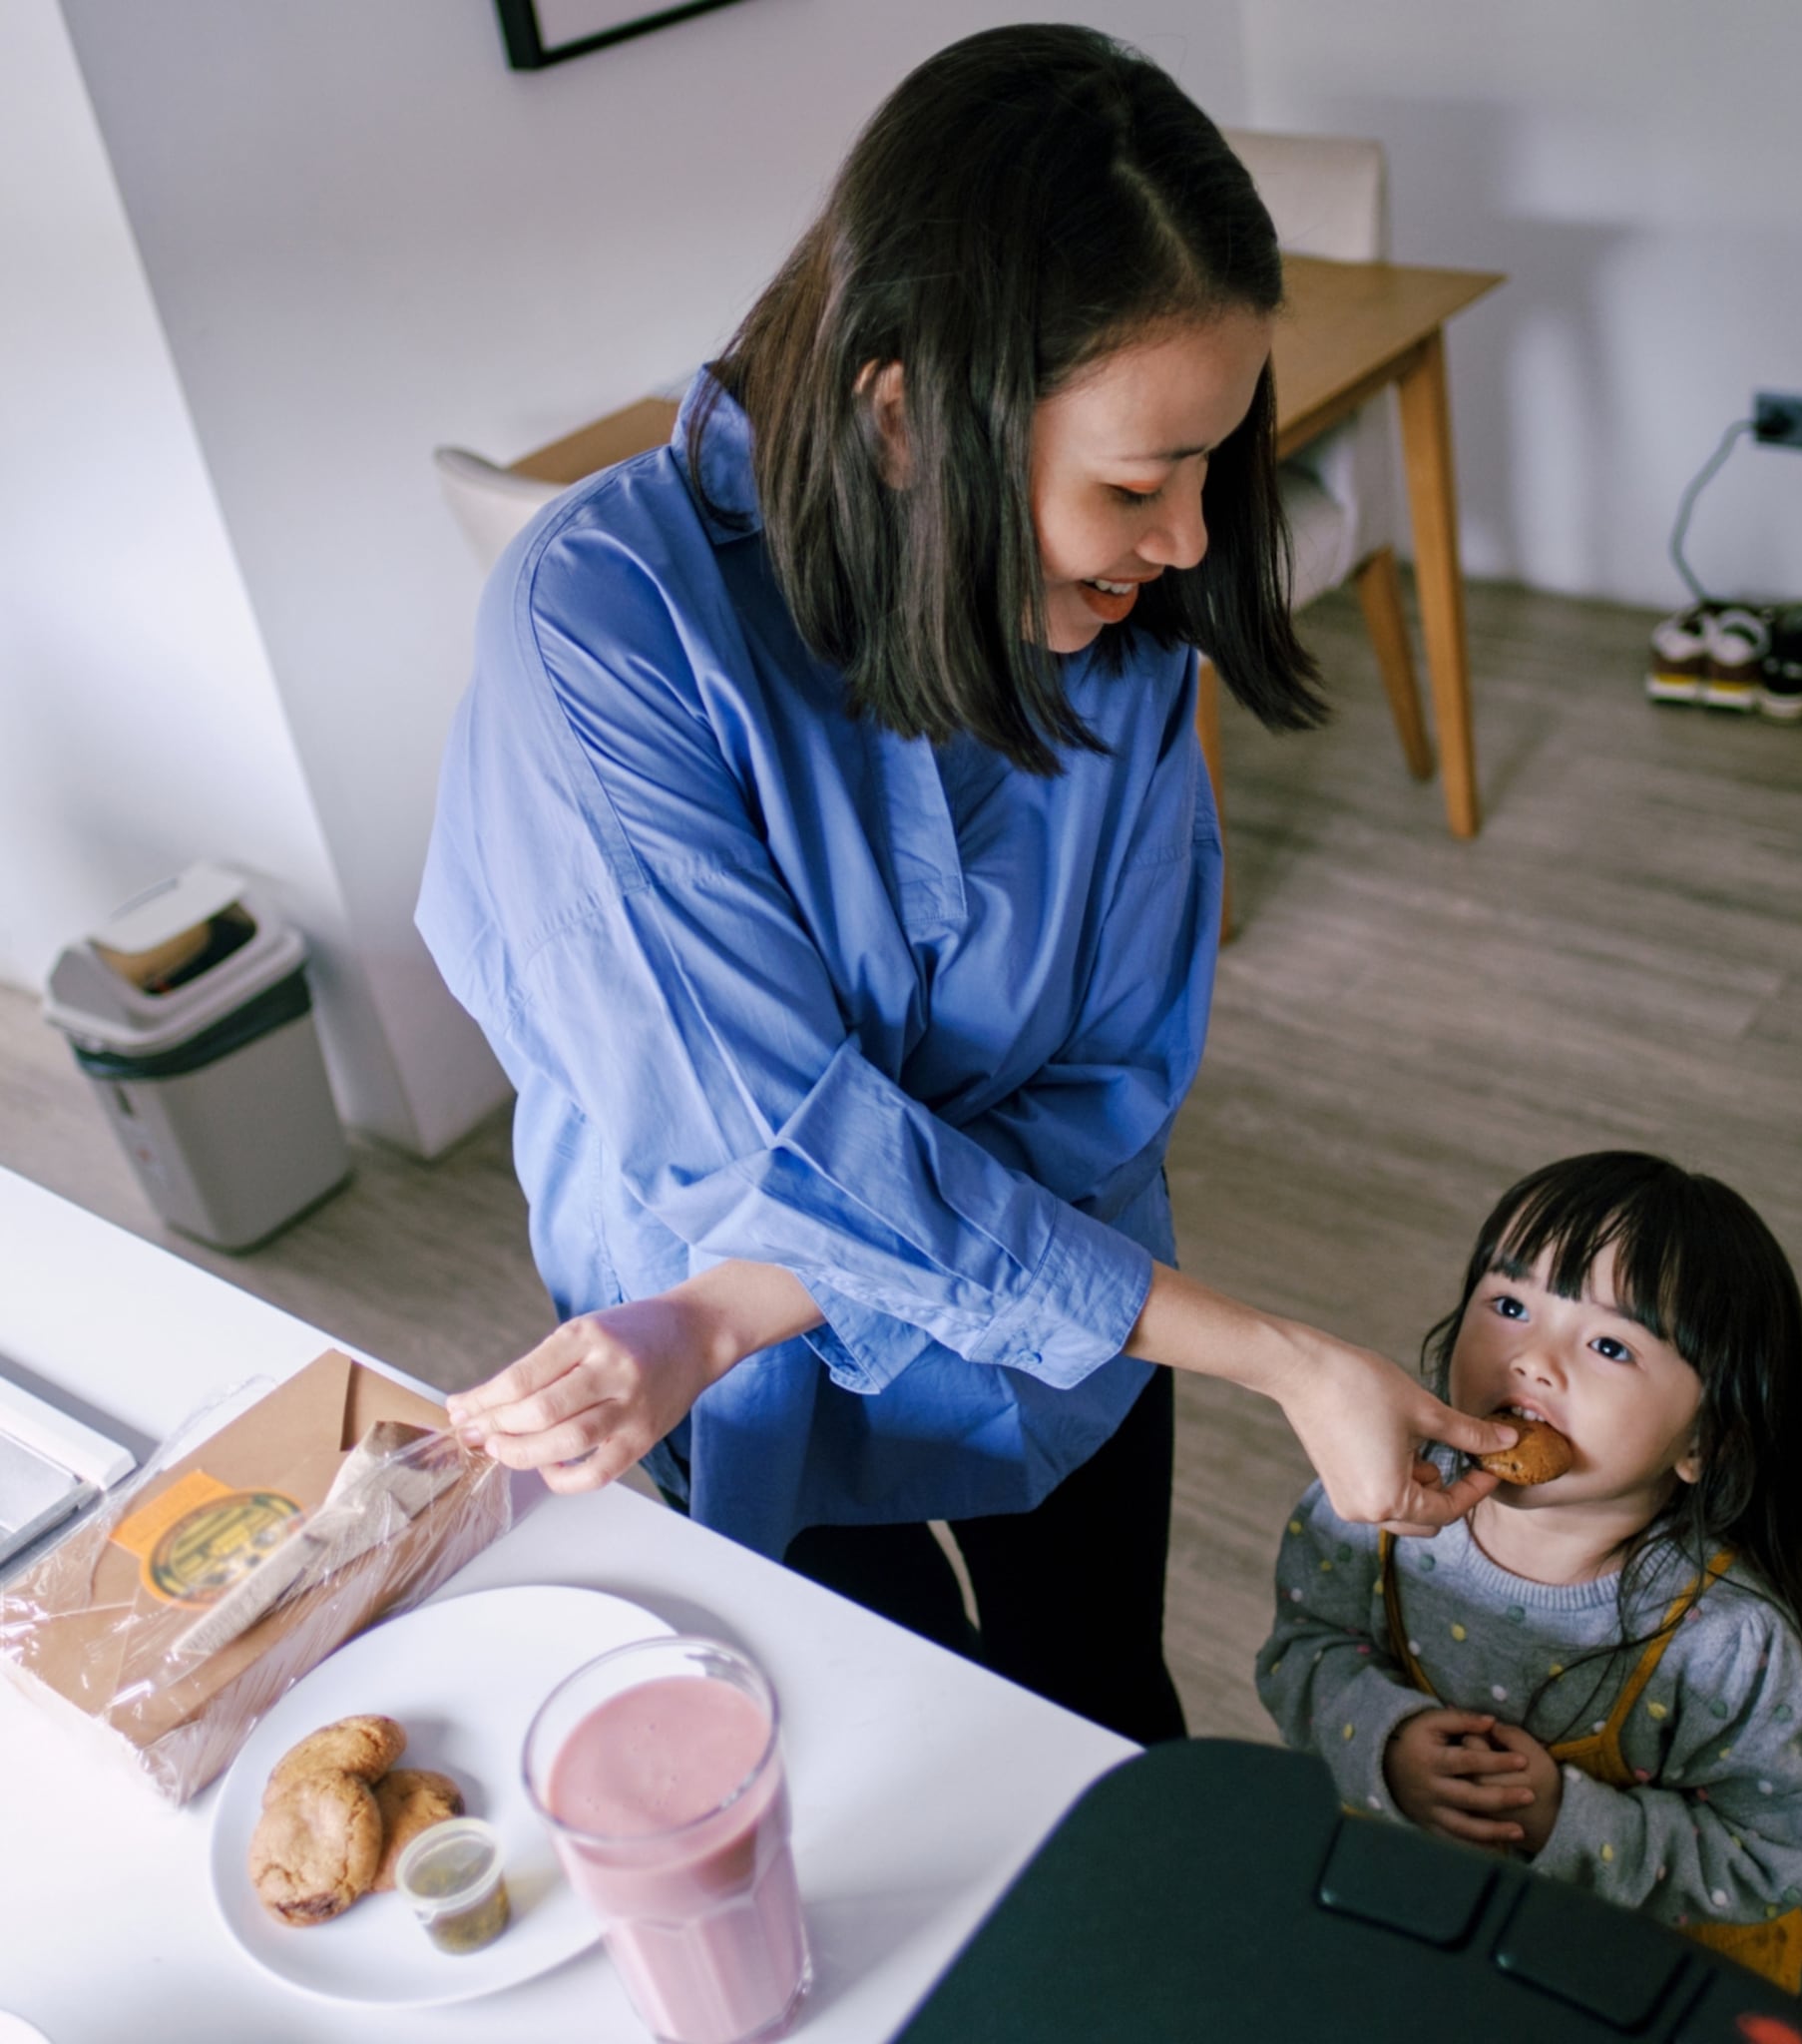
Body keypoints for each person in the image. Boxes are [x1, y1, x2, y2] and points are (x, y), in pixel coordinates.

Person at [419, 24, 1514, 1749]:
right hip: (739, 1384)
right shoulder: (601, 624)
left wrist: (742, 1292)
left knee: (1104, 1720)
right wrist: (1290, 1357)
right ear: (906, 414)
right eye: (1136, 483)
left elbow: (1106, 1083)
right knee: (889, 1759)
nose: (1190, 542)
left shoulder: (1122, 625)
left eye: (1211, 470)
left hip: (949, 1332)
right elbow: (767, 1145)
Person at [1257, 1152, 1802, 1990]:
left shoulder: (1726, 1645)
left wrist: (1563, 1821)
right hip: (1424, 1916)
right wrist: (1383, 1743)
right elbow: (1300, 1654)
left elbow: (1782, 1853)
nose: (1532, 1359)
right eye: (1509, 1305)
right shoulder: (1371, 1507)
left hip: (1633, 1975)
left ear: (1704, 1442)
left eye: (1610, 1343)